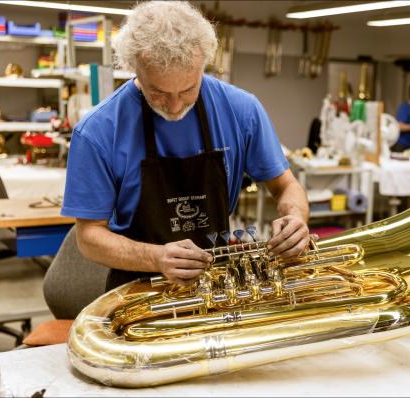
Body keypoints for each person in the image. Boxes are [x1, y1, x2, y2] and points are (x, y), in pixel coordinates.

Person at [61, 1, 310, 290]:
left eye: (189, 89)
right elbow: (89, 236)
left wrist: (295, 220)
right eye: (158, 92)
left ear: (203, 64)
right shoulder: (98, 131)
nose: (176, 106)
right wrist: (156, 257)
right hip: (138, 284)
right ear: (134, 67)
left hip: (218, 281)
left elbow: (286, 186)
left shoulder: (241, 111)